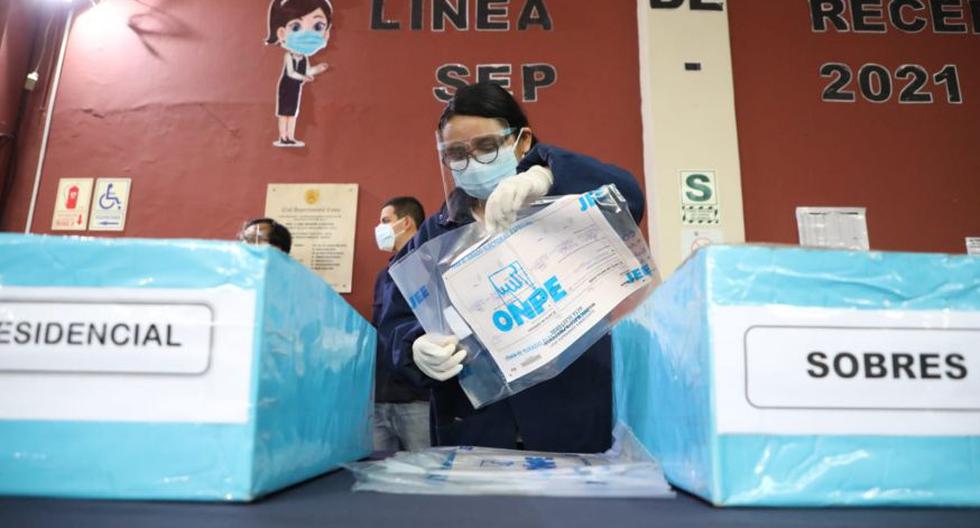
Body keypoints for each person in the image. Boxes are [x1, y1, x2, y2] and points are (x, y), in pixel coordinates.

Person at [378, 82, 645, 453]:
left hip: (573, 409)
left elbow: (627, 197)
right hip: (478, 425)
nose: (471, 162)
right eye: (456, 153)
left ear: (521, 141)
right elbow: (397, 318)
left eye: (486, 147)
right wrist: (415, 347)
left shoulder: (563, 201)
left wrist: (546, 176)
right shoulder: (435, 237)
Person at [371, 197, 431, 452]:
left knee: (424, 476)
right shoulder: (384, 275)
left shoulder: (429, 266)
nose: (380, 228)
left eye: (385, 221)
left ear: (405, 222)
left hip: (416, 398)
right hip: (380, 397)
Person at [265, 0, 333, 147]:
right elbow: (291, 72)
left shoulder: (303, 58)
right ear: (282, 33)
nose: (306, 35)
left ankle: (290, 136)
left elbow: (307, 71)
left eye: (318, 26)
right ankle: (283, 136)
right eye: (296, 27)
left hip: (296, 88)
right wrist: (303, 77)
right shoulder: (288, 56)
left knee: (293, 113)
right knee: (284, 112)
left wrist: (318, 69)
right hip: (287, 87)